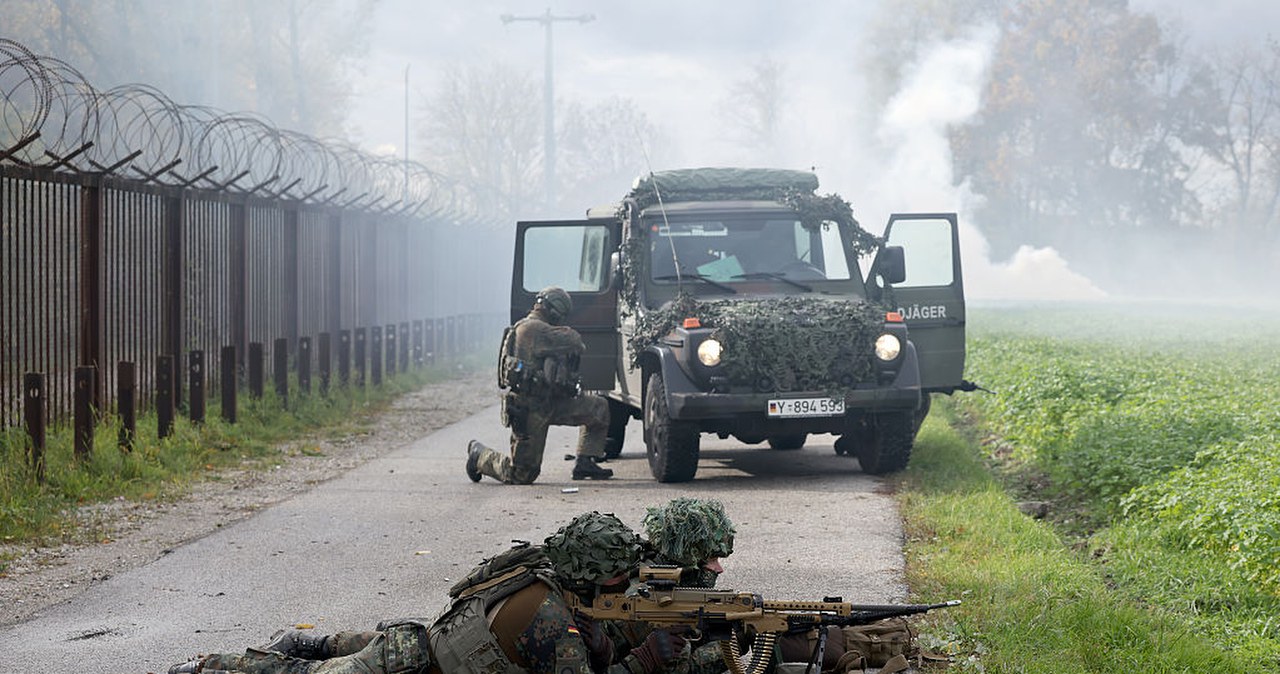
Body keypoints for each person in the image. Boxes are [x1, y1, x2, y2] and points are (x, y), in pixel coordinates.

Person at [166, 511, 687, 674]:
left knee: (332, 653)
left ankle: (308, 640)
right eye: (622, 573)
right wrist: (643, 660)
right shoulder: (550, 622)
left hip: (418, 644)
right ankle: (206, 665)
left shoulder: (552, 569)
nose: (629, 579)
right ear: (597, 574)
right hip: (405, 666)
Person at [467, 286, 614, 484]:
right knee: (521, 474)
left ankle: (585, 461)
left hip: (551, 401)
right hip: (530, 410)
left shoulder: (534, 327)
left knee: (598, 408)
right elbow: (575, 341)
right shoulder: (533, 329)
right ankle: (480, 455)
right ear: (552, 310)